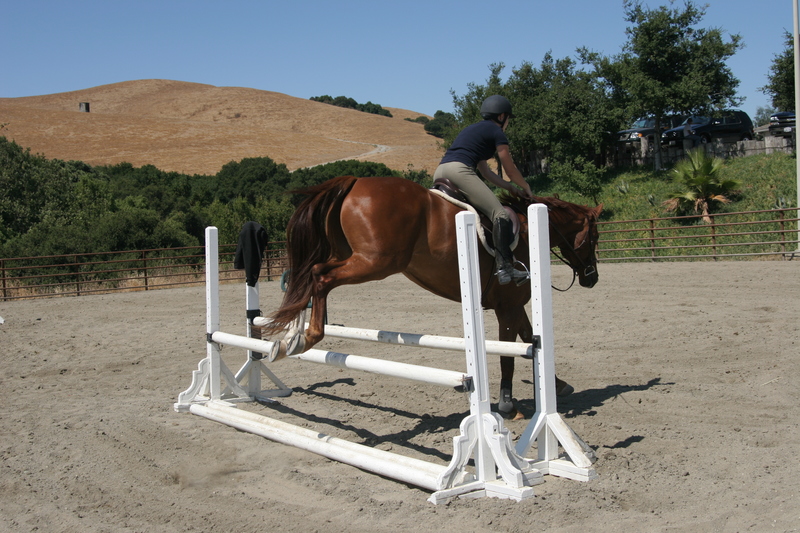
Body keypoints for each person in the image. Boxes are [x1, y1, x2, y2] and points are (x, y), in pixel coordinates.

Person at [434, 95, 533, 286]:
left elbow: (486, 173)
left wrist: (511, 188)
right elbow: (510, 170)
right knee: (500, 214)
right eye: (508, 119)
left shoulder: (473, 129)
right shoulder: (497, 132)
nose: (508, 123)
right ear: (502, 116)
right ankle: (505, 268)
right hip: (459, 170)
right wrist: (525, 186)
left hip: (441, 171)